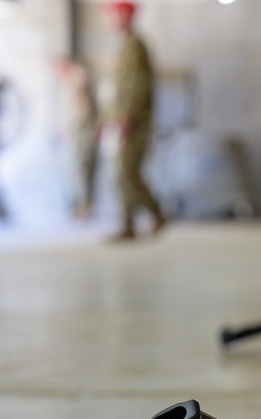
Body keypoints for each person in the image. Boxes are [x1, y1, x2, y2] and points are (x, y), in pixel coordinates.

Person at [106, 0, 167, 241]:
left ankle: (154, 213)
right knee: (124, 171)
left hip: (135, 122)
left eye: (113, 15)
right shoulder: (125, 46)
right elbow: (117, 89)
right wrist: (107, 118)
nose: (110, 20)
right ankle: (129, 223)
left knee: (127, 170)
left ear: (125, 15)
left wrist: (126, 115)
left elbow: (138, 85)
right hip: (126, 120)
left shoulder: (135, 45)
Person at [56, 57, 99, 219]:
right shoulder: (64, 85)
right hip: (74, 129)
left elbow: (83, 100)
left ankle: (85, 204)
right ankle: (78, 204)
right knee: (75, 168)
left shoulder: (78, 75)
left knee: (84, 166)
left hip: (85, 127)